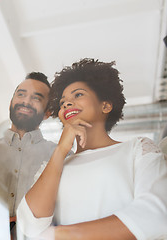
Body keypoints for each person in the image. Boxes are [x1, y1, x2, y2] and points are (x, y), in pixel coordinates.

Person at [17, 58, 167, 239]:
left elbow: (155, 214)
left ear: (106, 105)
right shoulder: (51, 167)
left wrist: (61, 234)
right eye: (63, 102)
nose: (66, 104)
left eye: (78, 95)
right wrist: (60, 150)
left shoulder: (139, 149)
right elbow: (29, 224)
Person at [0, 72, 58, 238]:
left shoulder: (59, 157)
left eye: (36, 98)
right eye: (21, 95)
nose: (26, 101)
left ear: (48, 112)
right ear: (11, 103)